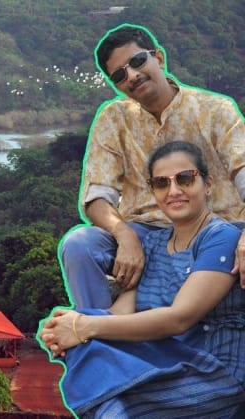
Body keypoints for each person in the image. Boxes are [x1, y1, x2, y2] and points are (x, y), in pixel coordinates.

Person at [40, 141, 245, 418]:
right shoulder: (153, 244)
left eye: (185, 179)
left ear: (207, 184)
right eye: (161, 183)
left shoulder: (220, 238)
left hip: (214, 370)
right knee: (92, 355)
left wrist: (84, 325)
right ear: (153, 192)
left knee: (111, 407)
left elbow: (179, 318)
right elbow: (121, 311)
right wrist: (64, 327)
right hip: (165, 359)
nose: (174, 191)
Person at [61, 23, 245, 309]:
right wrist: (124, 234)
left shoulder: (214, 109)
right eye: (120, 75)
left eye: (137, 62)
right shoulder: (114, 118)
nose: (132, 75)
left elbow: (242, 169)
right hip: (144, 231)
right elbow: (97, 196)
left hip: (213, 227)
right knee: (80, 245)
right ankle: (98, 340)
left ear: (158, 58)